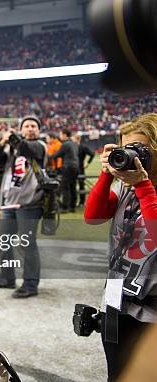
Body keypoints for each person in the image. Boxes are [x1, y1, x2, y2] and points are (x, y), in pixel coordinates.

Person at [84, 113, 157, 382]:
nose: (133, 157)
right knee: (116, 375)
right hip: (116, 298)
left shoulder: (139, 185)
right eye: (127, 149)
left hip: (151, 309)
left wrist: (143, 185)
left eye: (141, 150)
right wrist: (106, 176)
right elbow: (92, 216)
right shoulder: (125, 186)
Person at [0, 116, 46, 298]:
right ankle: (6, 277)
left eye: (33, 126)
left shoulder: (40, 145)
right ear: (21, 129)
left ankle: (30, 284)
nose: (30, 129)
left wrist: (15, 140)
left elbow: (27, 148)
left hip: (29, 203)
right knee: (4, 242)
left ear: (38, 130)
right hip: (9, 202)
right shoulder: (12, 147)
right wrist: (4, 141)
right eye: (26, 126)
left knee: (27, 243)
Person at [48, 128, 79, 213]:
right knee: (73, 187)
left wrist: (47, 156)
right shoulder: (74, 143)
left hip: (68, 167)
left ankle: (65, 207)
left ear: (65, 135)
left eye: (61, 134)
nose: (60, 136)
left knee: (65, 187)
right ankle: (72, 207)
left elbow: (56, 155)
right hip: (76, 167)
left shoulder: (65, 144)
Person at [73, 133, 95, 207]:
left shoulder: (83, 147)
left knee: (81, 185)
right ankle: (73, 202)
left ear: (77, 139)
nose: (72, 140)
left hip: (80, 169)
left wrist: (87, 163)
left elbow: (92, 154)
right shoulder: (71, 147)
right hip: (73, 169)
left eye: (73, 139)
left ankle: (82, 202)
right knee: (72, 186)